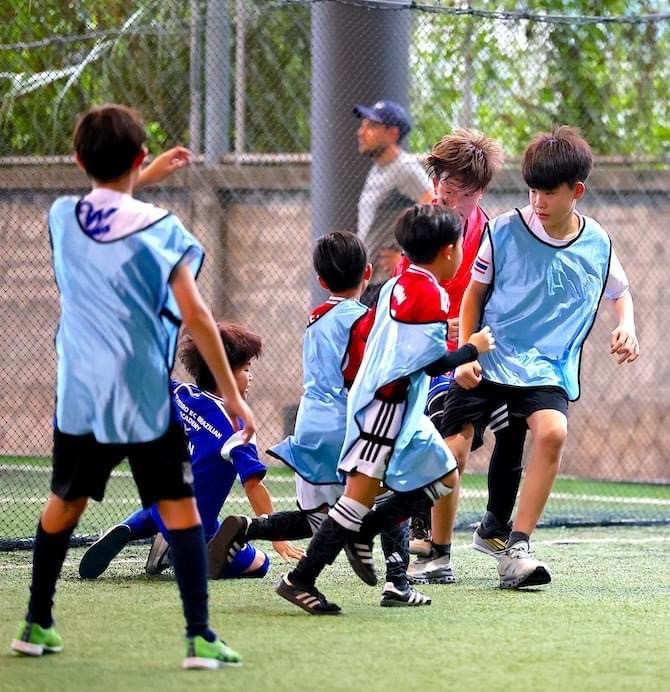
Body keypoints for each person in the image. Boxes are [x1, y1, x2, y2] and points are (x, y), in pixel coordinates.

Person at [10, 104, 254, 669]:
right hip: (145, 397)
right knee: (181, 508)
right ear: (140, 157)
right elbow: (194, 315)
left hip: (81, 397)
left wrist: (139, 176)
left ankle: (37, 623)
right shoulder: (165, 230)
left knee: (64, 504)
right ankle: (198, 637)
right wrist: (232, 393)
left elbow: (106, 203)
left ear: (77, 160)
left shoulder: (60, 217)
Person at [442, 125, 639, 588]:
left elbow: (621, 293)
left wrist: (625, 325)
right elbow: (473, 296)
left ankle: (517, 546)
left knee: (553, 431)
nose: (538, 201)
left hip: (546, 366)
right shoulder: (503, 230)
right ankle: (435, 550)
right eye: (532, 190)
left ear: (578, 191)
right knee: (452, 448)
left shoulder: (598, 244)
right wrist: (468, 351)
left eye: (549, 192)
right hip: (489, 356)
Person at [274, 205, 495, 614]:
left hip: (392, 404)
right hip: (384, 410)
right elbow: (428, 363)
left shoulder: (399, 283)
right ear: (449, 251)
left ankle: (366, 534)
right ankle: (301, 577)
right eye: (463, 245)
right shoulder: (430, 293)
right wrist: (471, 348)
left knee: (444, 474)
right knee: (359, 500)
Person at [213, 230, 432, 607]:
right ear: (367, 273)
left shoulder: (315, 319)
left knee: (319, 518)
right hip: (347, 425)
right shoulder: (366, 320)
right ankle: (398, 582)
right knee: (397, 489)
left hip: (310, 423)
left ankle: (250, 528)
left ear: (320, 281)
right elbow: (367, 374)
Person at [391, 129, 527, 585]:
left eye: (459, 195)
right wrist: (442, 330)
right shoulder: (423, 226)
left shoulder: (494, 234)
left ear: (480, 192)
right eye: (443, 190)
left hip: (481, 355)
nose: (446, 200)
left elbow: (497, 302)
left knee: (519, 419)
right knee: (457, 442)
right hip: (435, 361)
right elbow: (404, 303)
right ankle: (419, 527)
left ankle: (494, 528)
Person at [78, 322, 302, 581]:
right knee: (260, 564)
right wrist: (278, 537)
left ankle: (131, 526)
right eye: (246, 369)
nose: (250, 376)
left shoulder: (181, 393)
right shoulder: (236, 426)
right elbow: (253, 485)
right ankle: (174, 551)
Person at [354, 100, 433, 305]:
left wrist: (407, 259)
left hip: (386, 285)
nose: (361, 132)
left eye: (371, 126)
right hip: (368, 283)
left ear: (392, 134)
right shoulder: (378, 167)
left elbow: (436, 210)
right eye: (362, 125)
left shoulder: (405, 168)